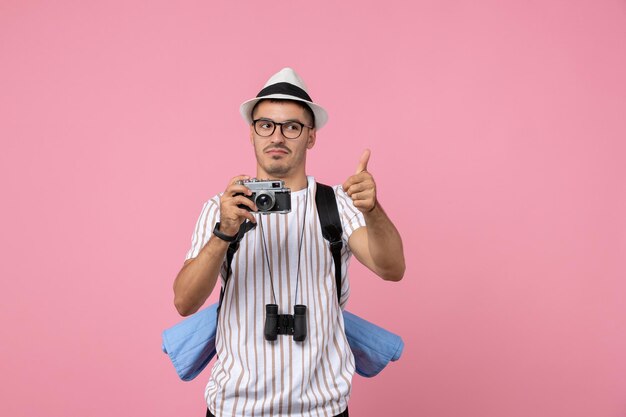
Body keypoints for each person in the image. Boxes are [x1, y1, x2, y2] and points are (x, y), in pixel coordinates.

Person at [173, 67, 405, 417]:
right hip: (235, 409)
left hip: (321, 409)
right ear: (251, 134)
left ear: (311, 137)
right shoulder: (222, 207)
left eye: (292, 127)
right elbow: (184, 302)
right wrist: (224, 232)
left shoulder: (337, 203)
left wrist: (372, 209)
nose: (277, 137)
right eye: (266, 125)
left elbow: (392, 268)